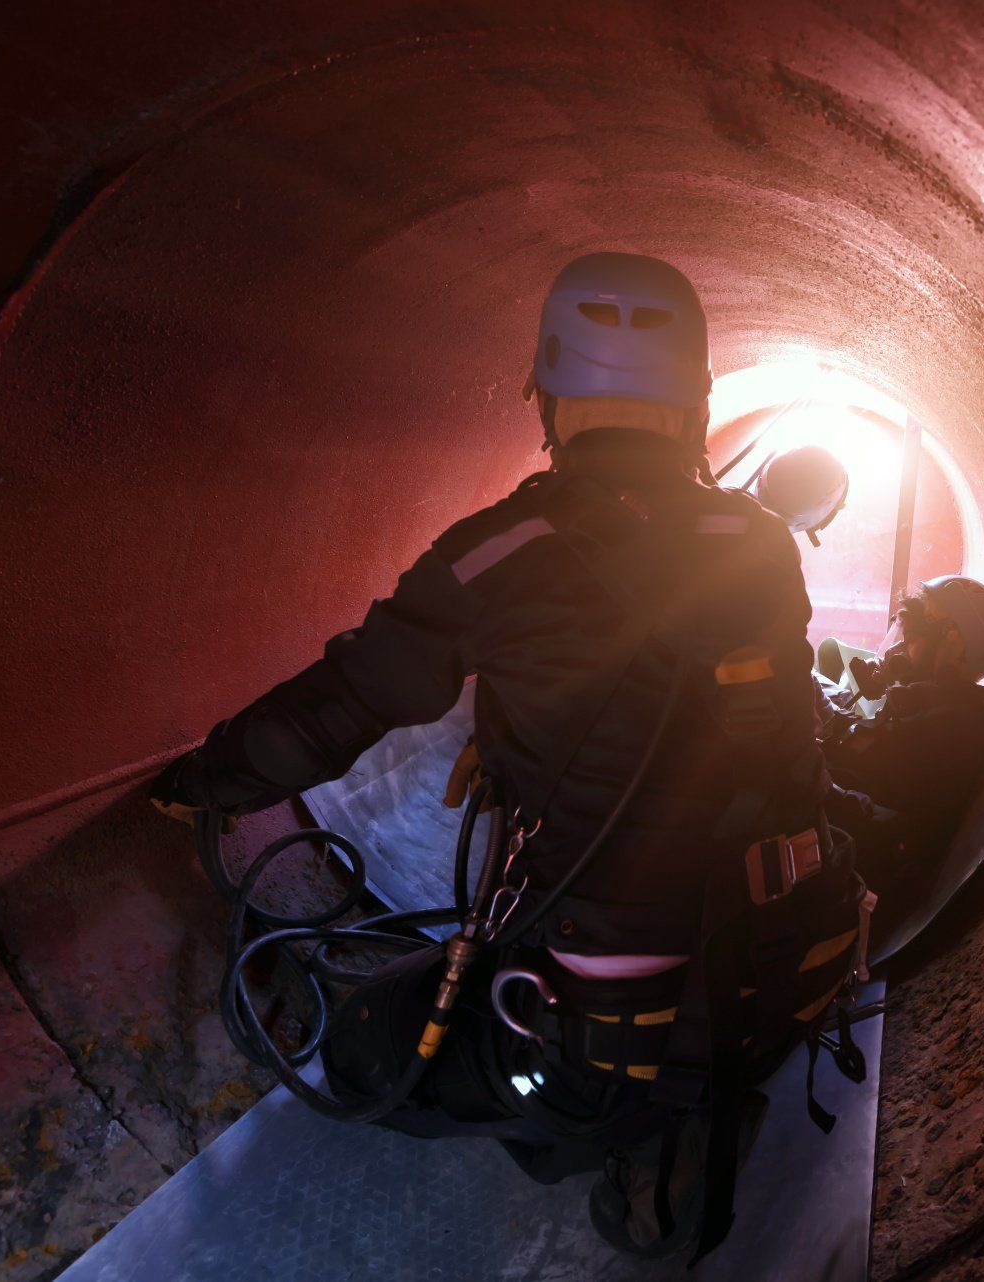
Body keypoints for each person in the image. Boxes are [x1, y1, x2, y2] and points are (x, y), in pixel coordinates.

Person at [149, 252, 869, 1260]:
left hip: (609, 1009)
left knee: (365, 1049)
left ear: (550, 396)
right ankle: (686, 1099)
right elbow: (741, 723)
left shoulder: (499, 549)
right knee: (675, 1025)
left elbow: (342, 705)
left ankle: (624, 1126)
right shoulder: (757, 540)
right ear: (694, 401)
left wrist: (204, 781)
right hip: (786, 959)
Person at [817, 576, 984, 907]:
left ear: (954, 643)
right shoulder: (937, 703)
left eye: (909, 641)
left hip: (862, 856)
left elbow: (849, 755)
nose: (897, 652)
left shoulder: (950, 725)